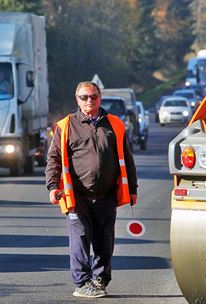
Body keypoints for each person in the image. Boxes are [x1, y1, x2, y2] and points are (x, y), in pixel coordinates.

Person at [45, 81, 138, 298]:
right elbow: (54, 159)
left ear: (100, 98)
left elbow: (127, 160)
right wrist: (52, 186)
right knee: (80, 236)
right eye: (84, 97)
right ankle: (82, 282)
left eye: (93, 97)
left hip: (106, 194)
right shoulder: (65, 125)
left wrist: (132, 189)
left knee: (104, 240)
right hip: (77, 194)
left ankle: (100, 279)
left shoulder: (115, 124)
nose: (89, 101)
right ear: (77, 100)